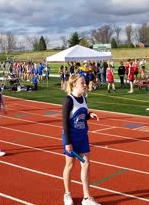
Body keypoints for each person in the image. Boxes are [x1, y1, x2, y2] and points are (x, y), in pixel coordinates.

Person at [62, 74, 100, 205]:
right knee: (70, 165)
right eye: (82, 83)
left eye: (85, 83)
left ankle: (86, 197)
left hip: (83, 137)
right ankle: (67, 194)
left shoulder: (83, 98)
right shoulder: (69, 100)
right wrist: (67, 142)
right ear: (74, 85)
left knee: (86, 164)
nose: (85, 85)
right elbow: (64, 123)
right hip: (71, 138)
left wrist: (90, 115)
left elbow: (83, 115)